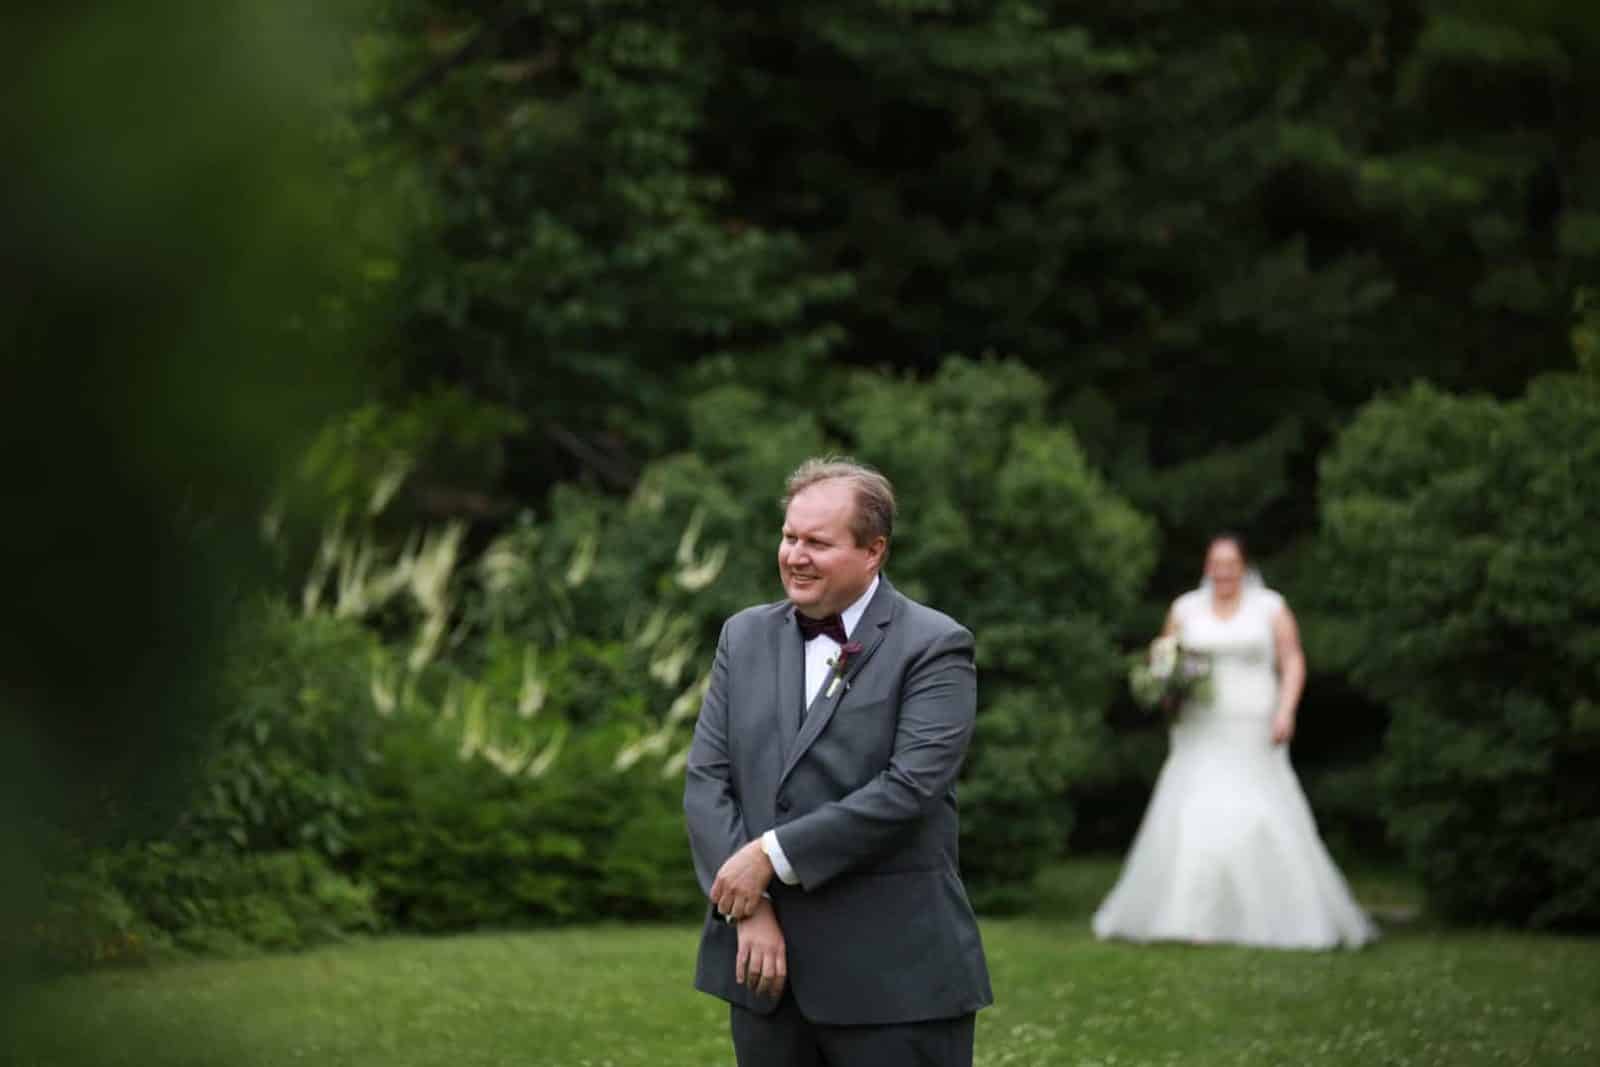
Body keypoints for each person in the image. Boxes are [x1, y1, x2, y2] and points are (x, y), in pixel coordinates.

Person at [683, 456, 993, 1067]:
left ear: (873, 551)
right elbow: (707, 778)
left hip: (894, 981)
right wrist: (749, 905)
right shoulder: (742, 637)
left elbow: (908, 789)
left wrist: (768, 857)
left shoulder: (934, 645)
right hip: (764, 975)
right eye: (790, 536)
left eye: (817, 543)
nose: (795, 555)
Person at [1092, 533, 1378, 949]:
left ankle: (1278, 919)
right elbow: (1165, 657)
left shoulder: (1271, 607)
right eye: (1215, 563)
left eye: (1230, 563)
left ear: (1244, 566)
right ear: (1207, 567)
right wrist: (1166, 690)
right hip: (1199, 727)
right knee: (1195, 813)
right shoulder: (1185, 608)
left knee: (1259, 812)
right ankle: (1193, 920)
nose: (1222, 571)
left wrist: (1286, 709)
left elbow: (1292, 659)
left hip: (1254, 724)